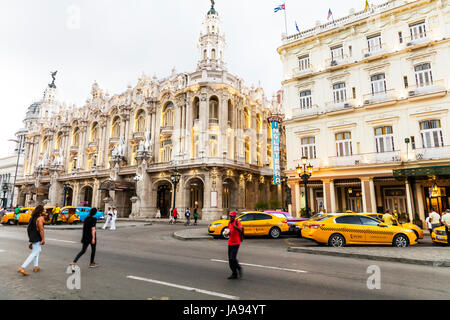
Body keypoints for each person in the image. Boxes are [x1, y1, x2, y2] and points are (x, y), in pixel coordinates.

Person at [17, 205, 45, 276]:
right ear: (41, 211)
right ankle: (22, 267)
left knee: (37, 251)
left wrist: (31, 239)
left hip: (32, 236)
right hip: (37, 237)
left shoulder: (32, 218)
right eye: (43, 210)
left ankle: (36, 266)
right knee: (34, 253)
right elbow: (41, 230)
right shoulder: (40, 218)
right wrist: (43, 239)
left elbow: (29, 228)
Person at [227, 211, 243, 279]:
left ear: (235, 216)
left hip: (236, 242)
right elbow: (230, 232)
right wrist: (227, 233)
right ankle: (234, 273)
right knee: (230, 260)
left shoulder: (237, 222)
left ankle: (239, 267)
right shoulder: (229, 223)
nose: (230, 217)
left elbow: (241, 230)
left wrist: (236, 227)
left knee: (232, 258)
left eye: (232, 216)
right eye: (230, 216)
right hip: (230, 242)